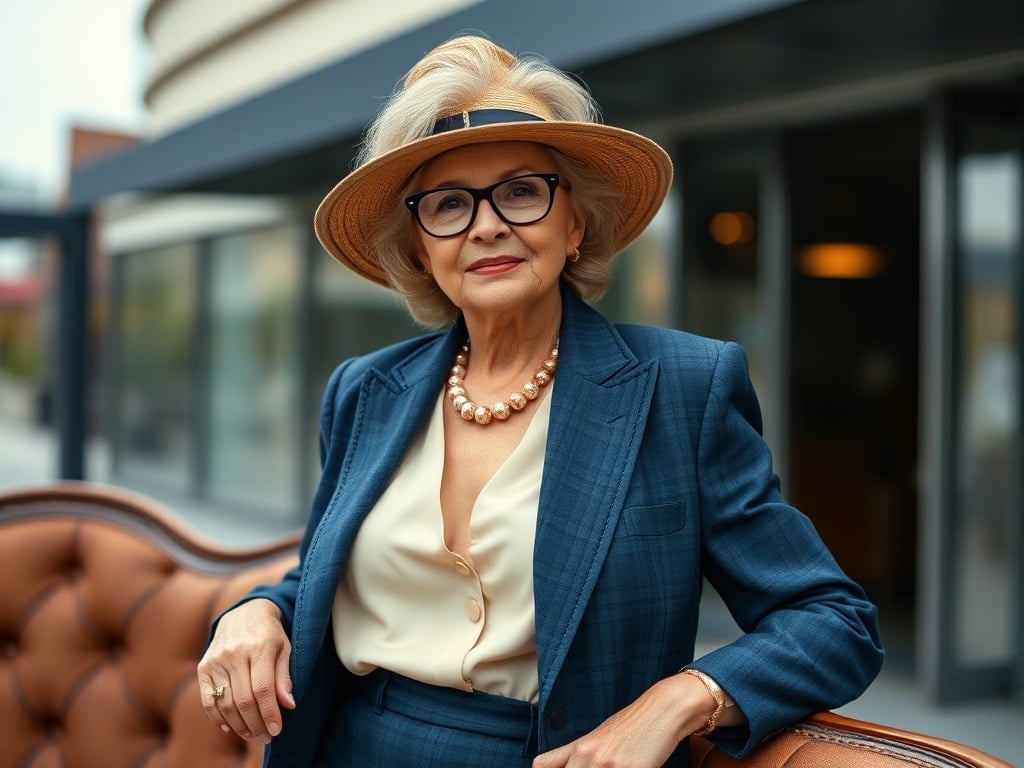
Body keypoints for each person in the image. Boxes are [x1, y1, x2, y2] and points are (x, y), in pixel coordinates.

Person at [198, 35, 884, 768]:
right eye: (450, 204)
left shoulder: (685, 385)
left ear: (574, 223)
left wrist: (680, 698)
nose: (487, 224)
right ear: (421, 246)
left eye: (522, 192)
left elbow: (834, 622)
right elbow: (333, 578)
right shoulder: (364, 389)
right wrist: (261, 608)